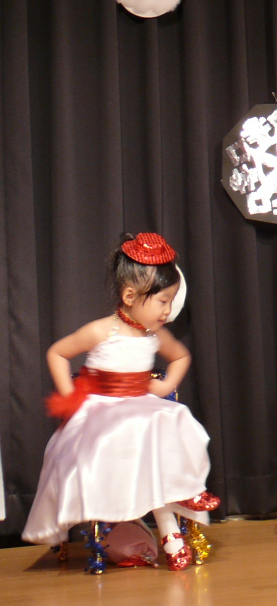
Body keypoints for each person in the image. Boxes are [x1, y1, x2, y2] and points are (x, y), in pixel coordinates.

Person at [24, 233, 217, 570]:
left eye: (171, 302)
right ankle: (170, 530)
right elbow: (57, 352)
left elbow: (180, 356)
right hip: (104, 412)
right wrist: (69, 396)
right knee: (140, 430)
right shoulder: (102, 331)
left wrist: (165, 384)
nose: (168, 311)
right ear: (130, 296)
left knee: (169, 421)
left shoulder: (154, 335)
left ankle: (180, 504)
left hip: (140, 407)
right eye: (163, 302)